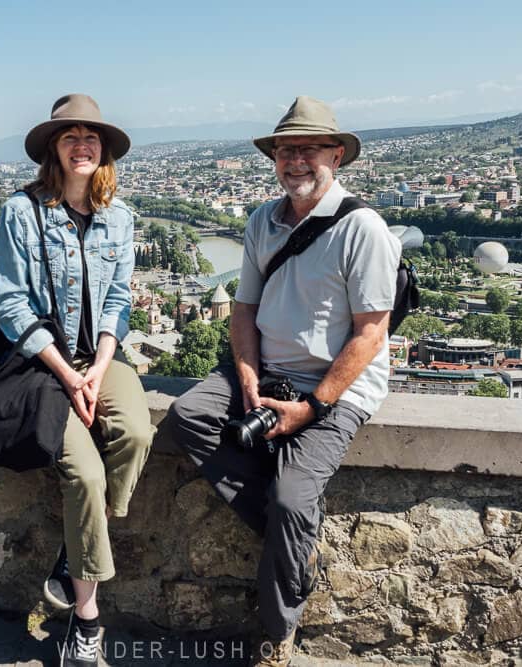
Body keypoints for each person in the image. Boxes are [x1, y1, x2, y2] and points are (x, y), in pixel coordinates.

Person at [166, 96, 402, 667]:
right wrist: (246, 373)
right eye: (284, 150)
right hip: (265, 371)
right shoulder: (261, 221)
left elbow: (371, 334)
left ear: (337, 156)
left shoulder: (362, 229)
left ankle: (276, 633)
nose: (294, 159)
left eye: (307, 149)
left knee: (292, 499)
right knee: (187, 418)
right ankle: (294, 553)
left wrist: (314, 408)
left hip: (333, 385)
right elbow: (243, 309)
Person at [0, 94, 154, 667]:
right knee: (82, 474)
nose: (82, 145)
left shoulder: (120, 216)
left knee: (135, 433)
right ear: (54, 150)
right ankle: (87, 623)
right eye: (70, 136)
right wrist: (67, 374)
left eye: (91, 137)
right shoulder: (22, 211)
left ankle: (78, 547)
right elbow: (9, 302)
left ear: (103, 149)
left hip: (100, 359)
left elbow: (118, 300)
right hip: (41, 366)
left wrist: (99, 370)